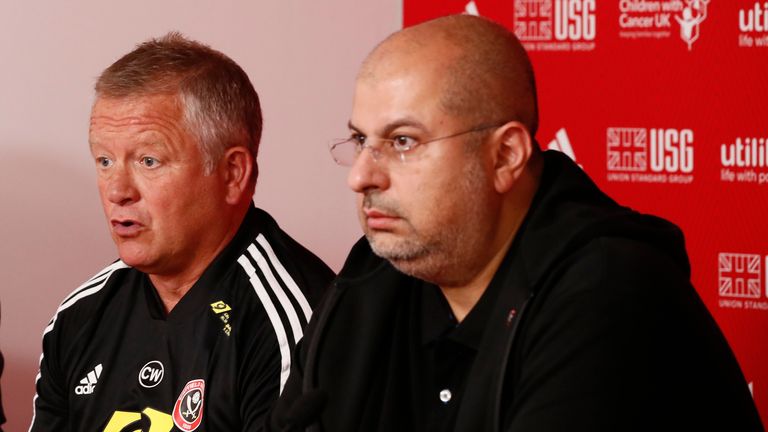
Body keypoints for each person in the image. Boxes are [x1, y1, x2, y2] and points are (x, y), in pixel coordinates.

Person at [269, 15, 763, 432]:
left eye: (402, 142)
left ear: (505, 155)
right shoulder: (374, 275)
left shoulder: (608, 289)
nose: (361, 176)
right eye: (360, 140)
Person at [30, 33, 333, 431]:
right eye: (104, 160)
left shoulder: (296, 323)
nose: (117, 190)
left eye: (148, 160)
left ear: (232, 174)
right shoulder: (79, 316)